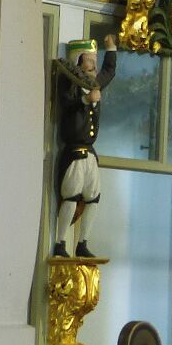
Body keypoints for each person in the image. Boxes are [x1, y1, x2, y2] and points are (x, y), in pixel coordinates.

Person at [52, 34, 117, 258]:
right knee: (71, 195)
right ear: (79, 60)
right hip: (75, 151)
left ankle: (82, 242)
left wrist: (112, 49)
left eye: (95, 60)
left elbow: (109, 73)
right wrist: (84, 100)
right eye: (89, 60)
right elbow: (66, 103)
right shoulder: (69, 82)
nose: (93, 65)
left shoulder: (94, 84)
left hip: (90, 152)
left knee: (93, 197)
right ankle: (60, 242)